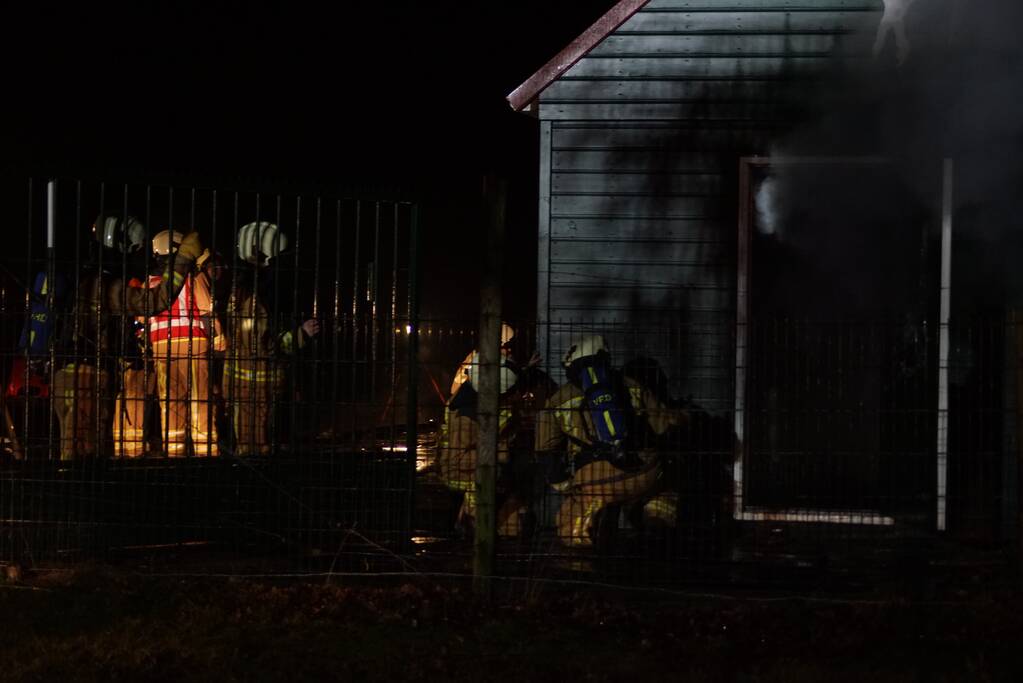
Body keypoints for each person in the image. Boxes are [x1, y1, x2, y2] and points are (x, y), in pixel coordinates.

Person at [52, 215, 203, 460]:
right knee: (85, 455)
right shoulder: (107, 285)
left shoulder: (81, 278)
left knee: (72, 450)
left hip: (67, 371)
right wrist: (183, 259)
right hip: (88, 375)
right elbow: (157, 300)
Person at [534, 335, 685, 547]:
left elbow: (544, 449)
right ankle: (655, 518)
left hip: (593, 479)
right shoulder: (633, 385)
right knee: (664, 488)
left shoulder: (558, 400)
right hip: (641, 469)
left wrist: (565, 484)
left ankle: (590, 526)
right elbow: (666, 427)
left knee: (569, 523)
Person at [223, 221, 319, 455]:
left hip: (248, 387)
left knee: (251, 447)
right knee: (256, 450)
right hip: (257, 389)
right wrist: (301, 334)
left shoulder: (239, 292)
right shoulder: (256, 300)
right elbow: (265, 344)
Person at [146, 229, 225, 457]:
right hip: (193, 345)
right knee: (200, 399)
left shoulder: (149, 282)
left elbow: (142, 318)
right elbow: (207, 311)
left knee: (170, 403)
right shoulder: (193, 278)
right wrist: (219, 340)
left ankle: (174, 453)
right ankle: (205, 452)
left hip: (162, 349)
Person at [438, 351, 530, 537]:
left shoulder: (477, 398)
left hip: (487, 466)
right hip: (460, 474)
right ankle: (473, 526)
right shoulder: (466, 416)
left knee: (515, 524)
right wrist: (499, 454)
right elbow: (457, 460)